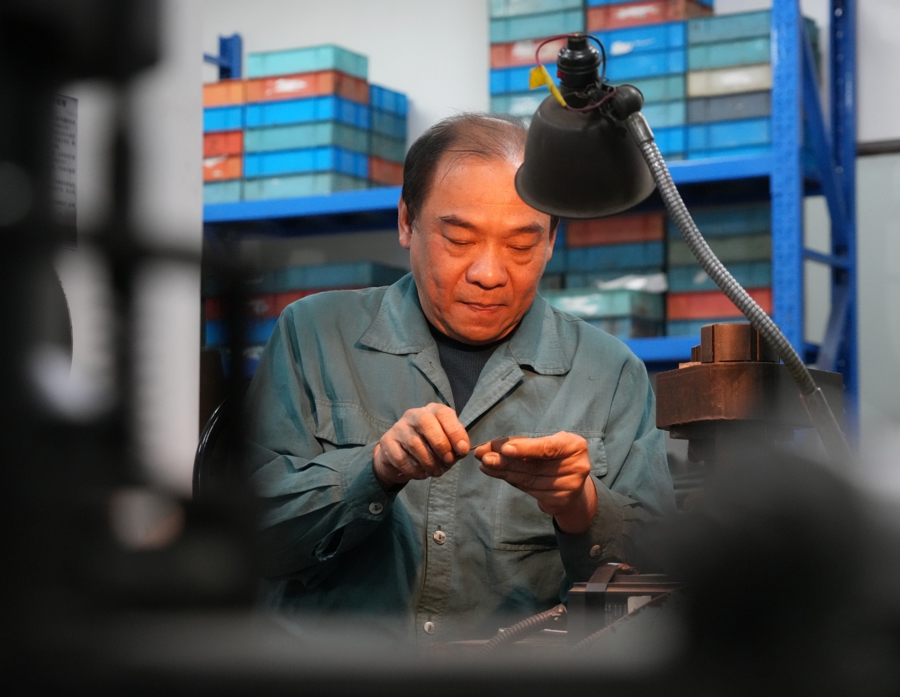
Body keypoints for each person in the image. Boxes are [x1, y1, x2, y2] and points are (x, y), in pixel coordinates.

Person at [243, 113, 675, 642]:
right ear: (407, 222)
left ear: (550, 241)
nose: (488, 273)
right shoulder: (314, 334)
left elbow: (657, 592)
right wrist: (373, 470)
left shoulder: (610, 374)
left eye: (521, 245)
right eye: (460, 239)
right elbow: (248, 538)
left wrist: (580, 506)